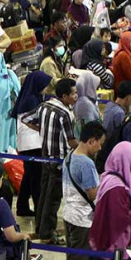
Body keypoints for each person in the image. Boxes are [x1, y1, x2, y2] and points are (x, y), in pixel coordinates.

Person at [61, 121, 104, 260]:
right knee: (78, 259)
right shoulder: (86, 163)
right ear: (92, 141)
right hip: (82, 218)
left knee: (73, 255)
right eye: (100, 143)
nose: (100, 148)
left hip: (69, 214)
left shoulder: (70, 156)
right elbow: (92, 194)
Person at [36, 78, 79, 243]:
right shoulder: (65, 113)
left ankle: (40, 229)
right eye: (73, 94)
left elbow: (27, 119)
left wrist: (46, 132)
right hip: (60, 162)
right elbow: (71, 141)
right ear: (64, 95)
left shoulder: (44, 106)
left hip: (45, 157)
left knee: (43, 196)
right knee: (53, 200)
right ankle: (48, 235)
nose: (76, 96)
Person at [12, 71, 53, 217]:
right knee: (36, 179)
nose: (46, 88)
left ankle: (22, 207)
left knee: (29, 176)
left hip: (27, 144)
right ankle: (39, 209)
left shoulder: (31, 97)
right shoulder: (31, 101)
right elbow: (35, 120)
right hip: (32, 145)